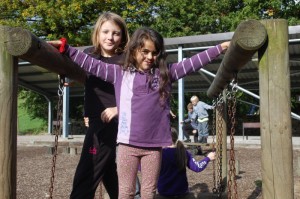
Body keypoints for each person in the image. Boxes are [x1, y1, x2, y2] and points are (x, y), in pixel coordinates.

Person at [49, 27, 229, 198]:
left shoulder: (165, 74)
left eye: (155, 52)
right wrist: (67, 49)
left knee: (148, 191)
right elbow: (91, 64)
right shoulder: (120, 73)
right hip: (128, 145)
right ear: (134, 50)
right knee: (126, 191)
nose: (150, 57)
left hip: (154, 147)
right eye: (145, 51)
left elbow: (193, 63)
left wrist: (220, 48)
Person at [70, 12, 129, 199]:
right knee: (108, 167)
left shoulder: (126, 60)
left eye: (116, 33)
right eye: (105, 32)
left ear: (123, 36)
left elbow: (137, 90)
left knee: (89, 170)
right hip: (96, 119)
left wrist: (119, 109)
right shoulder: (89, 54)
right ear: (97, 33)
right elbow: (85, 76)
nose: (110, 37)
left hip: (112, 120)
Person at [157, 127, 215, 197]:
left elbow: (145, 169)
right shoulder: (183, 152)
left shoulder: (159, 154)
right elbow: (197, 167)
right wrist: (208, 158)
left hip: (164, 192)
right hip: (181, 192)